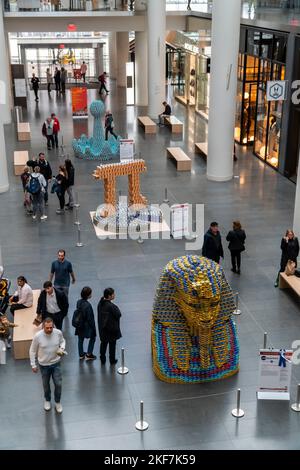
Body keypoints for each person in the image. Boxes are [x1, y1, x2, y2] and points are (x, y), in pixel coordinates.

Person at [29, 317, 65, 413]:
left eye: (51, 327)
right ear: (43, 327)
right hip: (44, 365)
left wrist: (62, 348)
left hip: (56, 363)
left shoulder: (58, 333)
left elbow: (62, 341)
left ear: (53, 326)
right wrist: (33, 364)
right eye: (47, 328)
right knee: (46, 384)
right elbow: (32, 350)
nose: (49, 330)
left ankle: (57, 402)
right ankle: (47, 400)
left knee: (58, 384)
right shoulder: (38, 336)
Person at [97, 287, 122, 365]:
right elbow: (118, 314)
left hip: (103, 329)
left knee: (103, 344)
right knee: (112, 345)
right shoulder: (111, 306)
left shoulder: (100, 303)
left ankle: (102, 359)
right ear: (109, 296)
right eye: (113, 294)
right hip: (111, 329)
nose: (114, 295)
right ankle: (112, 359)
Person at [74, 287, 97, 361]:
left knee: (80, 339)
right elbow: (90, 318)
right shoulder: (88, 306)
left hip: (79, 325)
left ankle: (81, 354)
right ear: (88, 295)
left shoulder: (78, 302)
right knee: (93, 338)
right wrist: (93, 327)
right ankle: (89, 354)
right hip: (86, 326)